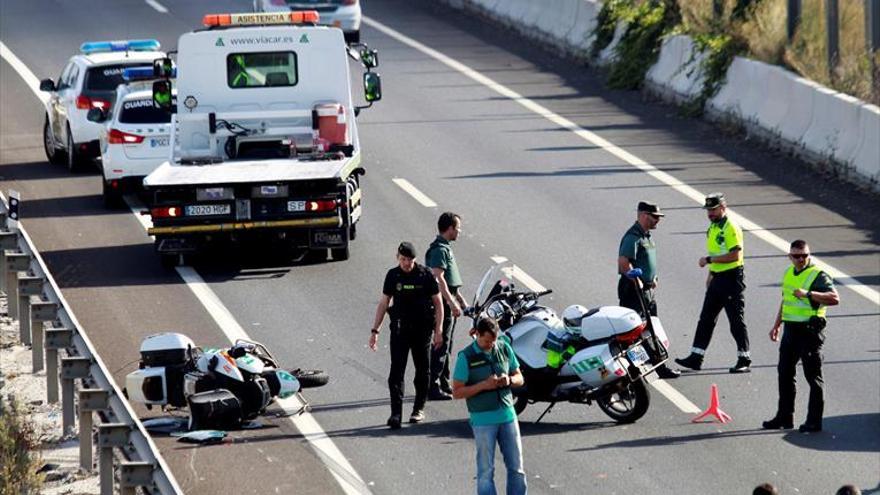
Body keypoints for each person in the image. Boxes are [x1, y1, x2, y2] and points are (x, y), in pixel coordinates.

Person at [762, 240, 839, 433]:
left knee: (813, 377)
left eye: (804, 255)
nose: (801, 259)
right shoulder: (789, 273)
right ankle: (784, 417)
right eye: (797, 256)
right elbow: (786, 300)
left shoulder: (817, 274)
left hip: (810, 331)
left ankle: (814, 421)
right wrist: (777, 324)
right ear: (790, 256)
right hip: (791, 330)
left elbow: (834, 298)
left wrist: (809, 294)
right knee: (785, 373)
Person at [369, 242, 444, 429]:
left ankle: (418, 409)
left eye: (409, 260)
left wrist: (439, 330)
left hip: (422, 331)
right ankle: (396, 413)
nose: (406, 263)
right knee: (396, 373)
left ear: (415, 259)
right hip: (400, 331)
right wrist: (375, 331)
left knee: (422, 371)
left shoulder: (425, 275)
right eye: (403, 259)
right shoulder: (393, 275)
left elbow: (438, 303)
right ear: (398, 258)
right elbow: (384, 303)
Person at [676, 192, 752, 373]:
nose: (710, 213)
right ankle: (696, 356)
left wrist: (709, 260)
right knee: (706, 319)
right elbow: (718, 251)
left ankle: (744, 358)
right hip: (718, 277)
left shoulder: (730, 226)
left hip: (731, 278)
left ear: (723, 208)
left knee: (735, 320)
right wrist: (711, 274)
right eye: (708, 210)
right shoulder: (713, 227)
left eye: (713, 209)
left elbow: (735, 255)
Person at [452, 317, 527, 495]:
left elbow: (520, 378)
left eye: (493, 341)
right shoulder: (466, 356)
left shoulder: (503, 347)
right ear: (477, 334)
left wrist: (509, 380)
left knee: (517, 468)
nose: (491, 345)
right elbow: (457, 392)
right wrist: (484, 385)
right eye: (487, 341)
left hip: (508, 416)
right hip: (483, 419)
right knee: (486, 471)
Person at [617, 201, 680, 379]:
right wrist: (637, 279)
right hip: (633, 291)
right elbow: (624, 264)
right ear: (644, 215)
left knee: (652, 329)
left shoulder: (647, 236)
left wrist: (653, 279)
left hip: (647, 292)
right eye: (655, 217)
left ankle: (659, 366)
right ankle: (628, 372)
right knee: (632, 332)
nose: (657, 221)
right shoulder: (633, 236)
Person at [426, 211, 467, 400]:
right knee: (440, 344)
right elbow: (438, 278)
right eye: (457, 228)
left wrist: (460, 299)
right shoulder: (439, 250)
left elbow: (449, 280)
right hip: (440, 305)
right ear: (449, 228)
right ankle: (432, 386)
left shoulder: (444, 247)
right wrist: (450, 302)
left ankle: (443, 381)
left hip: (447, 301)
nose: (459, 231)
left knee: (447, 345)